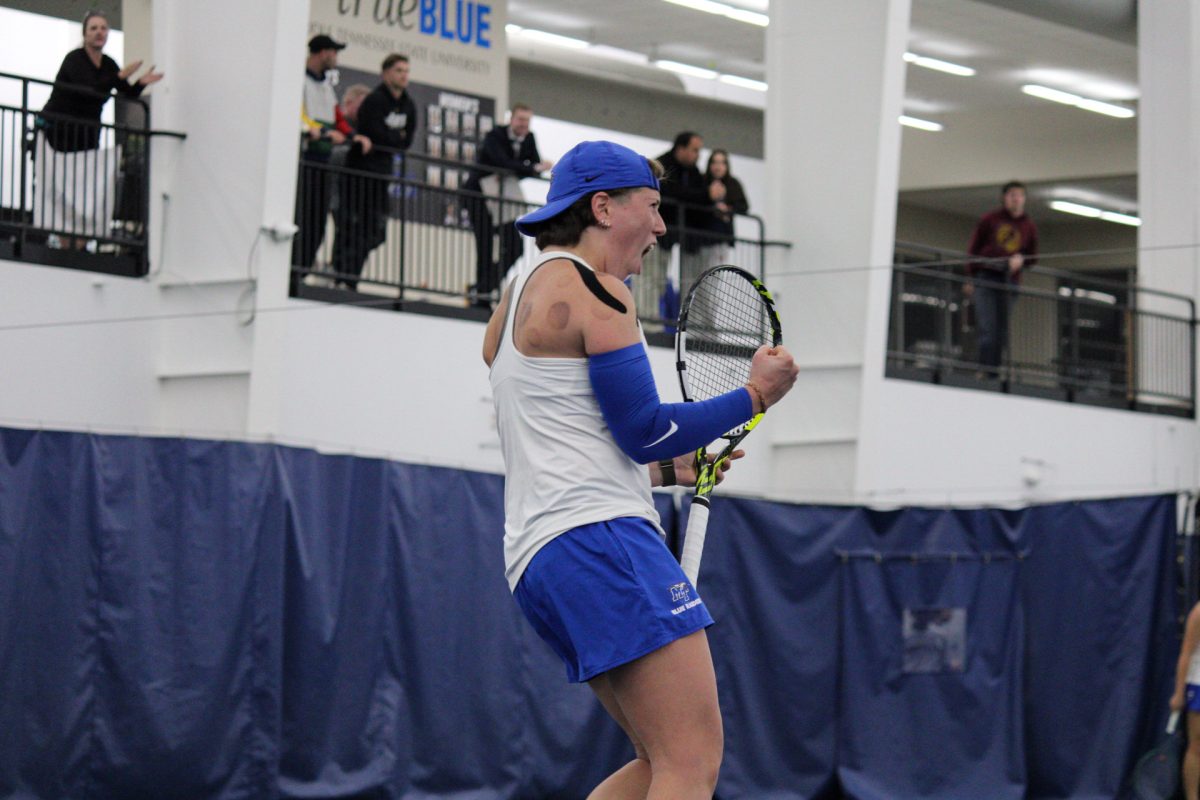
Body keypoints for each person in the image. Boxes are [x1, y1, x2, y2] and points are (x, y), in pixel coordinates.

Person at [482, 139, 798, 798]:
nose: (660, 226)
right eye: (651, 208)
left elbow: (553, 426)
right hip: (600, 540)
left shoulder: (517, 291)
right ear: (602, 206)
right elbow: (646, 429)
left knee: (661, 761)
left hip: (540, 557)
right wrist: (755, 394)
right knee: (692, 758)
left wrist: (662, 476)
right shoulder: (603, 292)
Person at [35, 10, 163, 244]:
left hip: (86, 136)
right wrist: (120, 76)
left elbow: (124, 92)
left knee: (84, 189)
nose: (99, 33)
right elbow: (90, 89)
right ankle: (64, 240)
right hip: (60, 134)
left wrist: (140, 83)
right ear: (85, 34)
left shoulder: (109, 65)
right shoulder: (75, 60)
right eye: (93, 28)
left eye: (103, 28)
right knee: (63, 189)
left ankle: (81, 242)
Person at [330, 53, 417, 290]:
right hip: (359, 173)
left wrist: (389, 139)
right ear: (387, 73)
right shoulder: (374, 101)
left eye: (406, 71)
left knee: (375, 232)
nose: (403, 75)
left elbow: (405, 140)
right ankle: (343, 277)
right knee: (351, 226)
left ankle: (348, 274)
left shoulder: (408, 105)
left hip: (382, 175)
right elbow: (375, 133)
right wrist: (392, 138)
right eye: (399, 70)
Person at [463, 103, 552, 309]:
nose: (523, 125)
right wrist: (530, 167)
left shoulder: (529, 138)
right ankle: (482, 296)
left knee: (514, 247)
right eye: (520, 120)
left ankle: (482, 288)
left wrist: (531, 167)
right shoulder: (495, 135)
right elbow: (503, 162)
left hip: (502, 197)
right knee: (484, 245)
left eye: (527, 121)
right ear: (511, 119)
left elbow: (531, 167)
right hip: (479, 196)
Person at [965, 181, 1039, 376]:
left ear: (1024, 199)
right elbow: (973, 250)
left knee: (1001, 329)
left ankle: (994, 371)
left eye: (1019, 195)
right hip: (986, 276)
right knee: (987, 326)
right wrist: (970, 277)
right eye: (1012, 195)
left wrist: (1021, 259)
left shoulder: (1028, 226)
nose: (1016, 199)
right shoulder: (990, 219)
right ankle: (984, 369)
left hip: (1009, 280)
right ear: (1004, 198)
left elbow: (1033, 256)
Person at [293, 34, 350, 270]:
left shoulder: (326, 86)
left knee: (317, 223)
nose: (335, 56)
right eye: (333, 51)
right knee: (300, 218)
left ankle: (303, 270)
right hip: (304, 159)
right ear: (323, 52)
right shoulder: (298, 79)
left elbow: (338, 120)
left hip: (323, 161)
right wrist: (316, 130)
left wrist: (353, 136)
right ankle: (292, 269)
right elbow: (297, 114)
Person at [1172, 601, 1200, 800]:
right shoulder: (1199, 612)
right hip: (1198, 685)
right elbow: (1186, 652)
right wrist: (1178, 693)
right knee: (1197, 744)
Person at [703, 148, 749, 260]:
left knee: (717, 270)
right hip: (703, 235)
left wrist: (728, 209)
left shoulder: (733, 184)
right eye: (715, 162)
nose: (718, 167)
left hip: (723, 234)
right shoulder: (702, 181)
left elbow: (743, 206)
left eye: (722, 163)